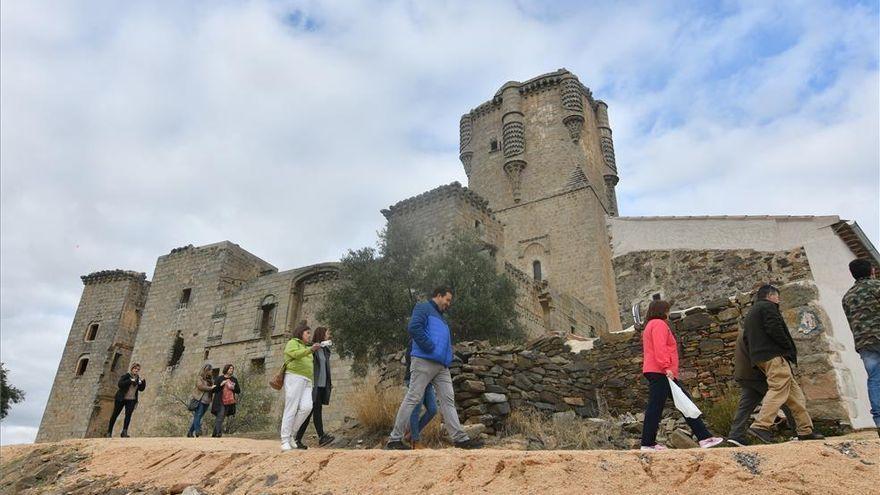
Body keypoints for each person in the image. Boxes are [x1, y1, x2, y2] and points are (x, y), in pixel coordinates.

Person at [385, 287, 482, 450]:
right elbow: (414, 328)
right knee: (413, 397)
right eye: (447, 300)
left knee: (448, 400)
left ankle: (460, 439)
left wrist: (447, 357)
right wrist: (429, 347)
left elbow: (443, 340)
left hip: (441, 366)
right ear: (438, 295)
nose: (448, 304)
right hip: (424, 360)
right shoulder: (423, 308)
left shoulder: (442, 319)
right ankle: (394, 439)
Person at [639, 300, 724, 451]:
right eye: (667, 310)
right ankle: (648, 443)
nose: (669, 313)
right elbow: (660, 348)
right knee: (664, 406)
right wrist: (666, 367)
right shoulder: (659, 324)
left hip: (657, 371)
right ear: (662, 311)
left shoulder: (650, 326)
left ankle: (704, 437)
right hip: (661, 371)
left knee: (679, 403)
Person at [744, 285, 823, 443]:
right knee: (778, 388)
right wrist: (787, 348)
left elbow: (746, 339)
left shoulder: (752, 312)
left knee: (796, 396)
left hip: (761, 357)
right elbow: (775, 328)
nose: (778, 300)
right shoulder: (768, 307)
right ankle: (761, 425)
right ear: (771, 295)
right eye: (777, 296)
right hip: (774, 356)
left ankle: (805, 430)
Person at [727, 327, 796, 446]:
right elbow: (761, 354)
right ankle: (798, 431)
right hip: (756, 374)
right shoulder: (755, 332)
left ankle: (735, 435)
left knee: (745, 407)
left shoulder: (744, 332)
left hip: (743, 374)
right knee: (783, 398)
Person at [841, 259, 880, 436]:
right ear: (872, 271)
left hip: (864, 343)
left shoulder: (847, 297)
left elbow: (851, 322)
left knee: (874, 379)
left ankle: (879, 421)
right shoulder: (877, 286)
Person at [280, 324, 322, 451]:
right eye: (307, 333)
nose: (309, 335)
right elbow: (294, 354)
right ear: (300, 333)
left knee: (307, 407)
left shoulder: (307, 347)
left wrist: (312, 382)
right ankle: (284, 440)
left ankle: (291, 434)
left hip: (307, 381)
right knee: (291, 407)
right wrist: (310, 350)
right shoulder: (293, 343)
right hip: (294, 377)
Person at [294, 326, 336, 448]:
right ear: (322, 334)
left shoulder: (325, 350)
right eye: (327, 333)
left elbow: (325, 368)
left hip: (322, 385)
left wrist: (329, 382)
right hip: (313, 385)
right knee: (311, 411)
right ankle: (301, 438)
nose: (329, 335)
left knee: (316, 410)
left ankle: (314, 438)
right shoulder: (312, 348)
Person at [403, 338, 437, 449]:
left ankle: (412, 434)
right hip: (415, 378)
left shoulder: (430, 341)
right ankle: (415, 441)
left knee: (433, 409)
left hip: (428, 380)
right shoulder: (414, 341)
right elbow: (409, 358)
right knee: (416, 409)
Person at [107, 363, 146, 438]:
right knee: (115, 414)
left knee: (128, 416)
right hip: (121, 399)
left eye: (138, 369)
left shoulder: (138, 379)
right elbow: (120, 384)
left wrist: (143, 382)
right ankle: (109, 431)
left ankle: (124, 432)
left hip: (131, 400)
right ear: (132, 369)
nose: (136, 370)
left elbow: (141, 389)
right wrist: (130, 381)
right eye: (135, 369)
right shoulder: (126, 376)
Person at [210, 364, 240, 438]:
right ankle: (218, 433)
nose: (231, 370)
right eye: (230, 369)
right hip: (220, 400)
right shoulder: (219, 378)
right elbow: (214, 390)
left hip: (229, 401)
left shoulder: (234, 379)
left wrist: (233, 388)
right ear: (226, 369)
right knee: (220, 416)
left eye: (232, 369)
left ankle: (214, 433)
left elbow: (238, 390)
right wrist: (221, 384)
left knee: (222, 417)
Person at [187, 363, 215, 438]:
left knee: (198, 416)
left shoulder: (211, 380)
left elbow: (212, 389)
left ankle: (190, 432)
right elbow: (200, 386)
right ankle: (198, 431)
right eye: (210, 370)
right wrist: (210, 388)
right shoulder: (200, 378)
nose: (211, 371)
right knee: (198, 415)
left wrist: (214, 388)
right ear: (206, 370)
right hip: (200, 400)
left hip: (207, 401)